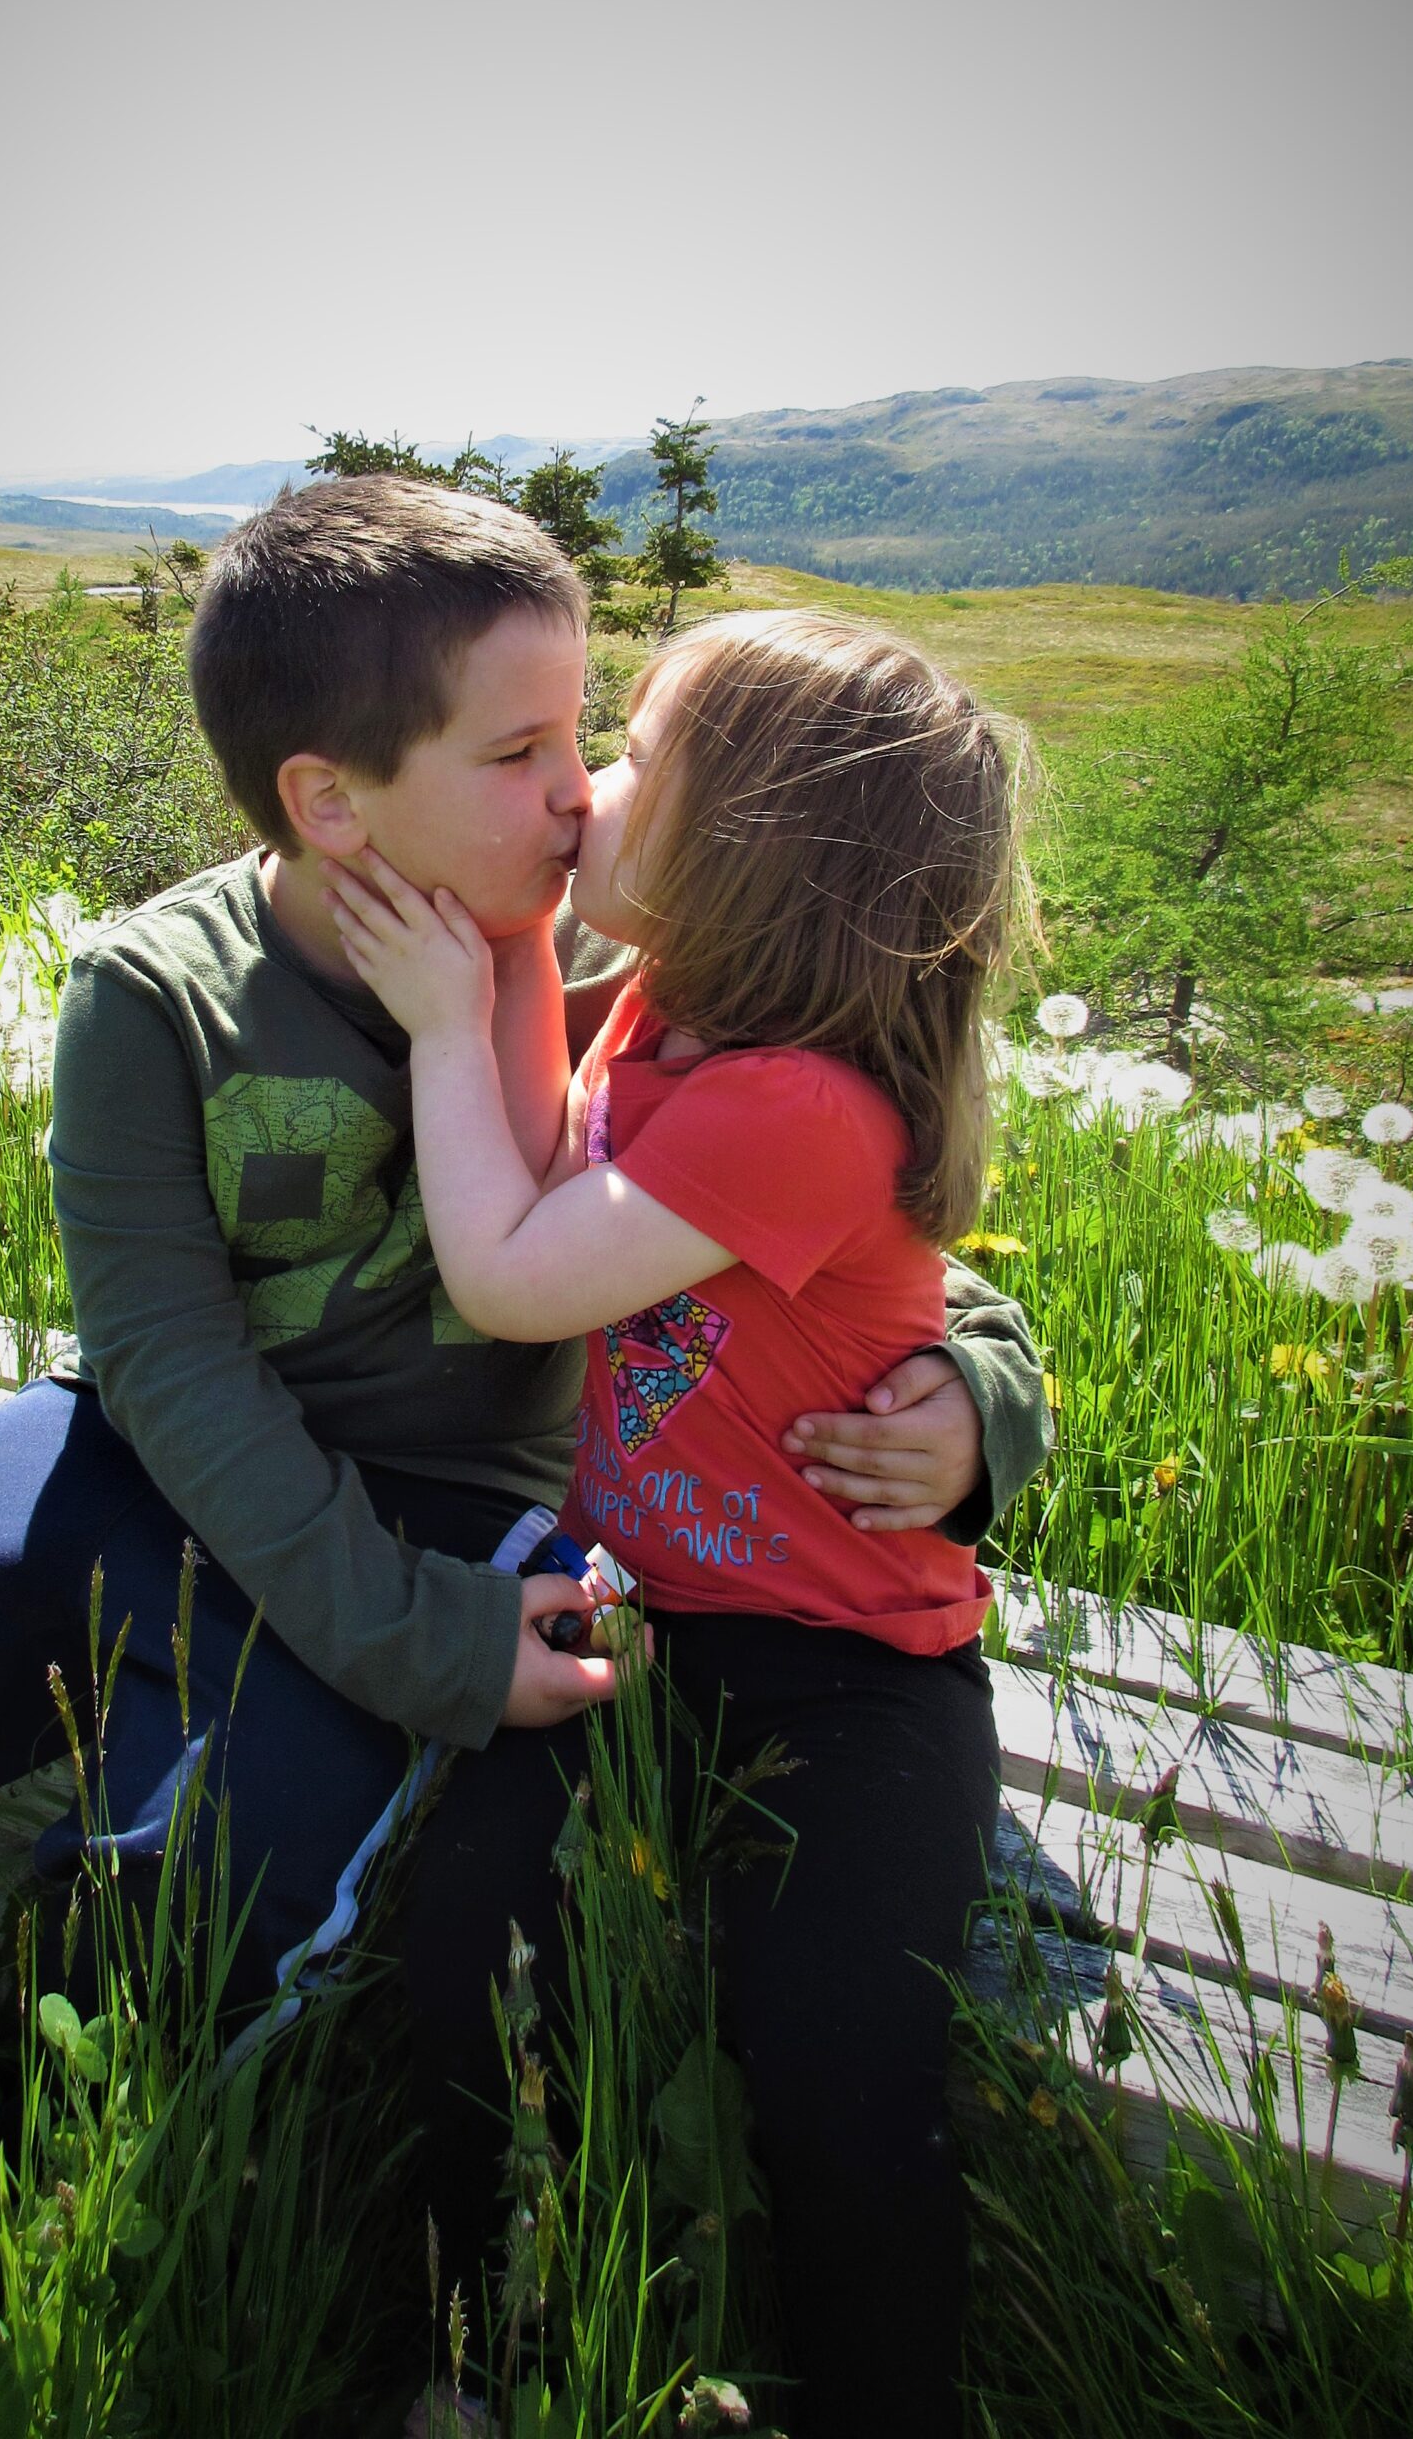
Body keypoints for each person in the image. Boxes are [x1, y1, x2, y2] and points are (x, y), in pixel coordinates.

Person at [0, 486, 1047, 2435]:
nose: (578, 796)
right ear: (330, 799)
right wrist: (419, 1646)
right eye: (516, 751)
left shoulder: (622, 943)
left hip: (456, 1512)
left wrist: (977, 1396)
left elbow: (853, 1215)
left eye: (588, 732)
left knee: (191, 1874)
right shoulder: (153, 997)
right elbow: (170, 1375)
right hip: (165, 1476)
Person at [326, 605, 1040, 2437]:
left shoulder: (798, 1103)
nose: (593, 786)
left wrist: (438, 1011)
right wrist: (499, 966)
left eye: (642, 754)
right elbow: (557, 1170)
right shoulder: (677, 1012)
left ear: (761, 848)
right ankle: (470, 2361)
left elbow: (508, 1268)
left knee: (836, 2063)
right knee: (469, 1957)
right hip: (631, 1623)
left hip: (848, 1672)